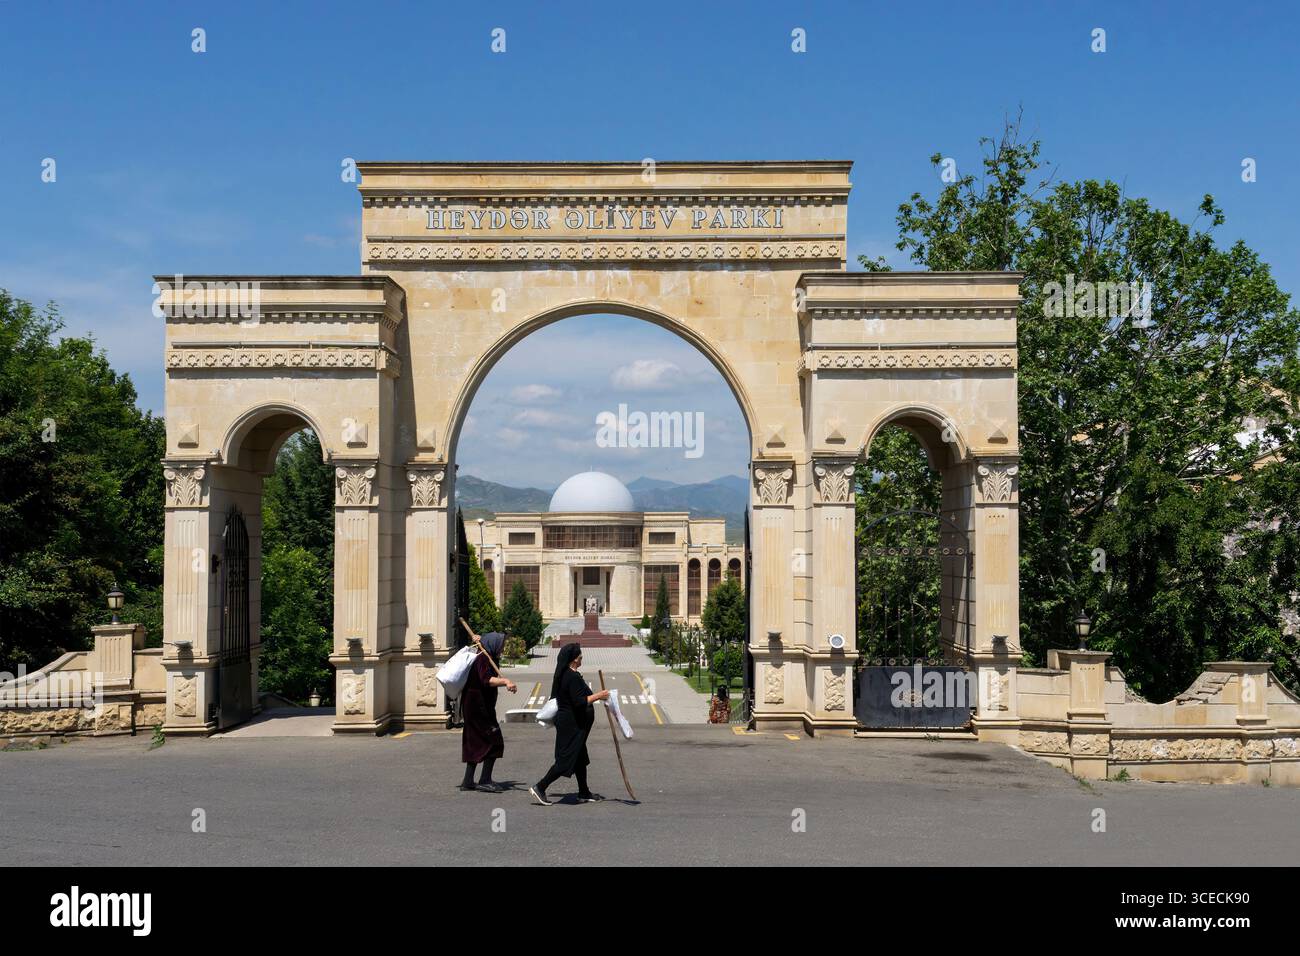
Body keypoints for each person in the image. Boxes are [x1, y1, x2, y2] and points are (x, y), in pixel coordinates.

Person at [529, 642, 609, 805]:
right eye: (580, 657)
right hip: (571, 726)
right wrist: (599, 695)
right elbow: (579, 702)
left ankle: (584, 792)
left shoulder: (571, 674)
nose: (581, 660)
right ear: (573, 659)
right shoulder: (570, 677)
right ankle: (540, 787)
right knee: (565, 760)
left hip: (577, 725)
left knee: (580, 758)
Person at [459, 631, 516, 792]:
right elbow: (486, 679)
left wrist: (480, 640)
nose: (503, 647)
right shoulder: (482, 657)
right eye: (502, 644)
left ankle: (468, 780)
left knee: (475, 742)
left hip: (476, 707)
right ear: (494, 645)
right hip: (479, 708)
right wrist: (506, 681)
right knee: (495, 741)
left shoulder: (486, 654)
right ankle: (485, 780)